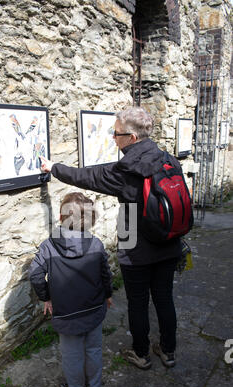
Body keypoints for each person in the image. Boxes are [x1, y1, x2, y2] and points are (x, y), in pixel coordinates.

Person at [40, 106, 185, 370]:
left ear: (131, 137)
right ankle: (168, 351)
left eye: (115, 133)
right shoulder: (168, 159)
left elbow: (88, 177)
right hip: (169, 241)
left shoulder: (129, 168)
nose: (112, 138)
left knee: (138, 302)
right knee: (164, 297)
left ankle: (141, 354)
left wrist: (54, 168)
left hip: (135, 243)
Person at [28, 192, 113, 387]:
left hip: (67, 313)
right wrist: (108, 294)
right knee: (93, 350)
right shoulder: (96, 244)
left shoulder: (48, 247)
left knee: (72, 356)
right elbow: (106, 273)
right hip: (94, 309)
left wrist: (46, 297)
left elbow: (35, 274)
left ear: (60, 216)